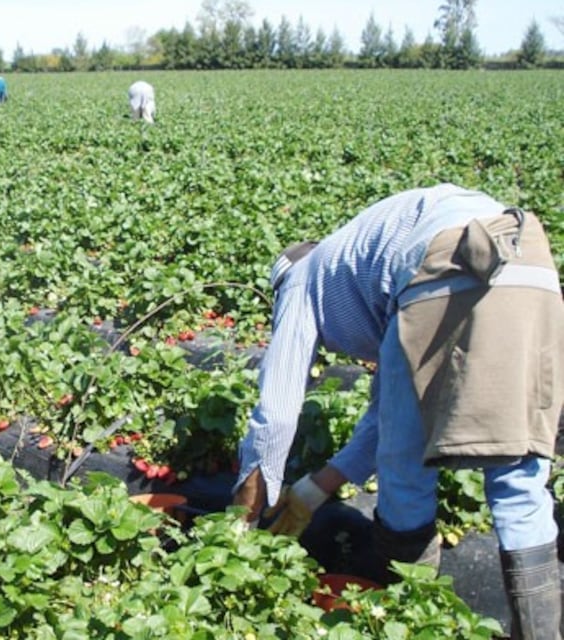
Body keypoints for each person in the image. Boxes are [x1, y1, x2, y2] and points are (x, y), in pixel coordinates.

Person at [230, 183, 562, 639]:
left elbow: (277, 413)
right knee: (520, 479)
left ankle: (411, 618)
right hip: (531, 265)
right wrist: (313, 489)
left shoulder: (300, 281)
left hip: (445, 271)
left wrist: (242, 518)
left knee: (405, 473)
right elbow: (383, 415)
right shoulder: (362, 260)